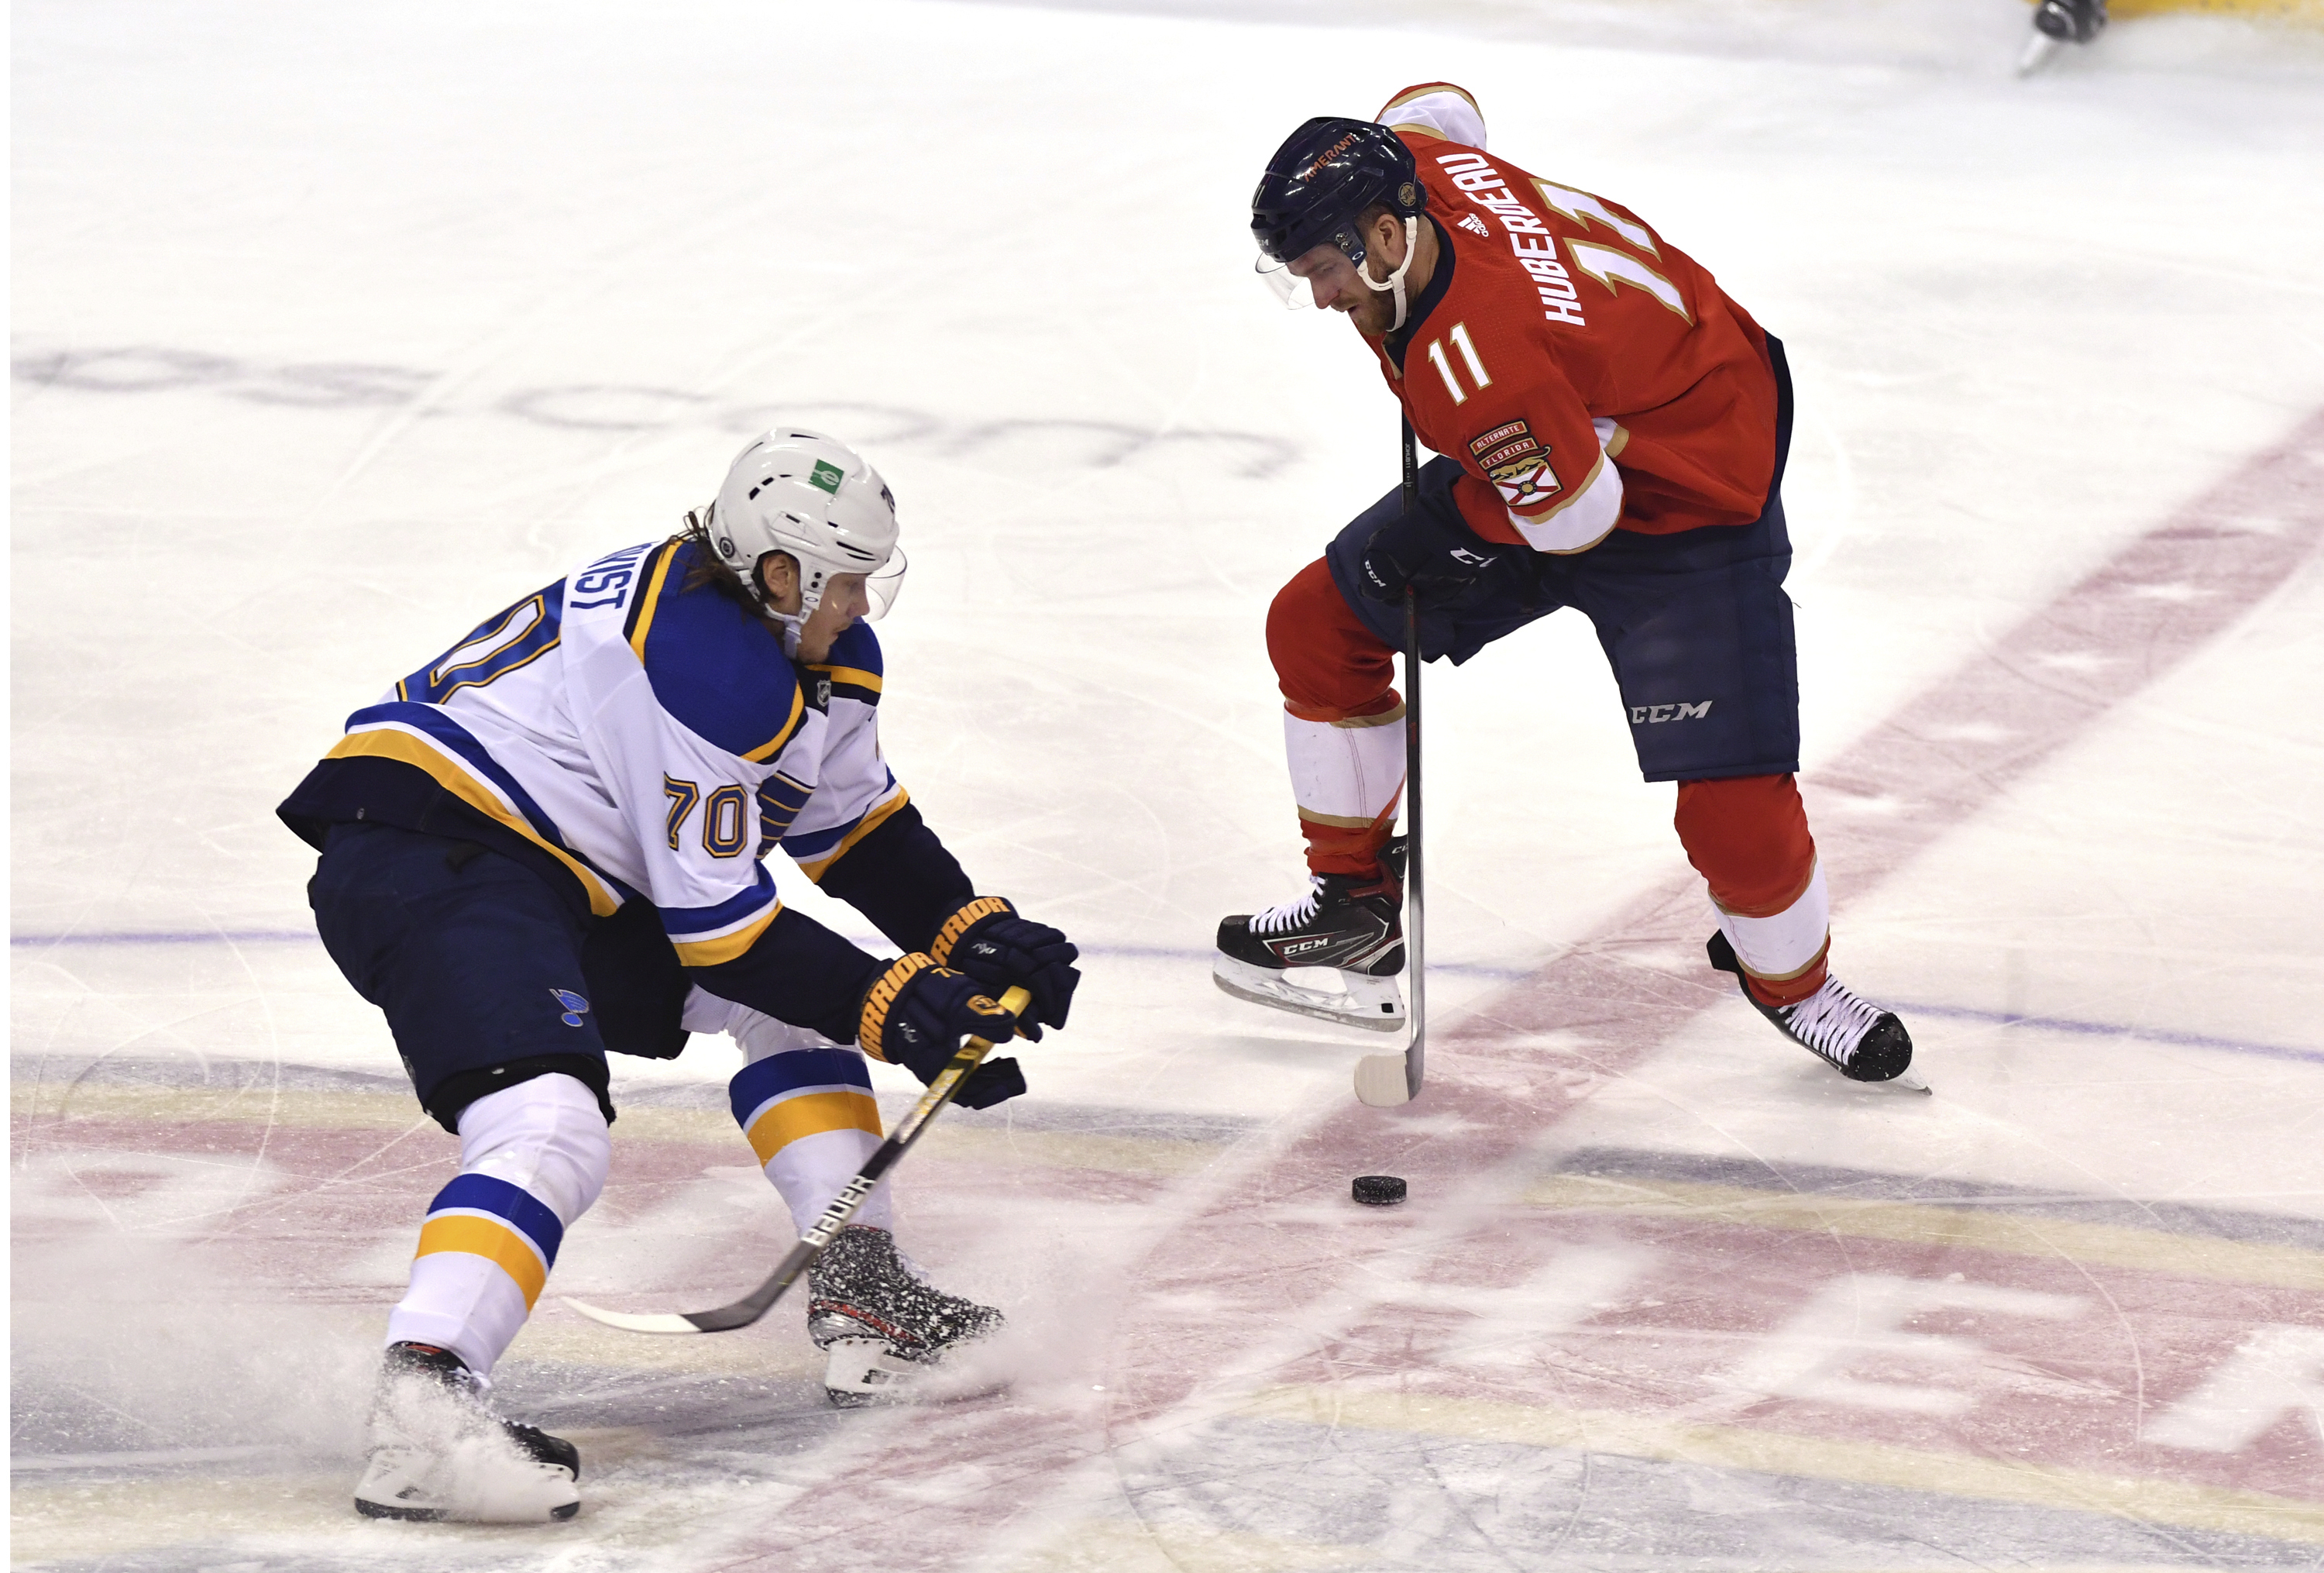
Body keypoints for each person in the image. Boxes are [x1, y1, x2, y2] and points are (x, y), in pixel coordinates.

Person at [278, 429, 1081, 1522]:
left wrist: (969, 934)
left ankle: (865, 1296)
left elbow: (854, 829)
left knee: (793, 1009)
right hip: (433, 848)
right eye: (843, 581)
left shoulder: (798, 649)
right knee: (548, 1124)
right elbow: (726, 937)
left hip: (558, 869)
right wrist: (906, 1008)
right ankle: (423, 1400)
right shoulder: (705, 666)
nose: (862, 604)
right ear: (779, 573)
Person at [1215, 84, 1912, 1083]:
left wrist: (1450, 532)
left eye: (1325, 271)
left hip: (1692, 489)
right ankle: (1355, 907)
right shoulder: (1420, 170)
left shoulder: (1480, 367)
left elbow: (1576, 518)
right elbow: (1444, 109)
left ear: (1382, 232)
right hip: (1588, 421)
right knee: (1315, 631)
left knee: (1733, 807)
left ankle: (1795, 987)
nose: (1323, 299)